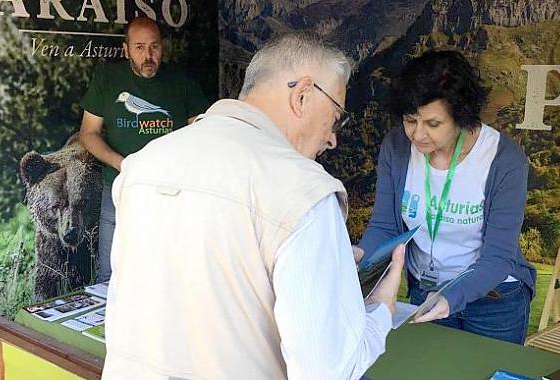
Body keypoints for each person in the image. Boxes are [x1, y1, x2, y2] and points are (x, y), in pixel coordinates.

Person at [101, 33, 405, 380]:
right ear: (303, 95)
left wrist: (319, 257)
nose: (333, 137)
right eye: (336, 116)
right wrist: (380, 309)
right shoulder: (303, 190)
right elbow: (325, 371)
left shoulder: (143, 164)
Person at [357, 50, 537, 345]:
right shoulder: (396, 146)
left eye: (433, 124)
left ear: (461, 115)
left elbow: (499, 257)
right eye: (410, 120)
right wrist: (362, 259)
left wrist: (450, 298)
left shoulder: (504, 159)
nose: (417, 134)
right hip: (425, 292)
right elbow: (385, 228)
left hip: (496, 299)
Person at [78, 16, 208, 284]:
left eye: (154, 47)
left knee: (165, 276)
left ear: (163, 47)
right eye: (139, 48)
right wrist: (122, 164)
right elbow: (88, 134)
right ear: (126, 50)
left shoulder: (181, 82)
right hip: (118, 191)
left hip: (168, 196)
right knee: (109, 277)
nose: (148, 56)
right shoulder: (107, 78)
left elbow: (202, 136)